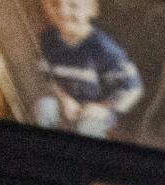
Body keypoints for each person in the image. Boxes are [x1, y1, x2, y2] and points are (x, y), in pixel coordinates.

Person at [30, 0, 142, 138]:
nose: (63, 12)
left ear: (92, 10)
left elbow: (133, 88)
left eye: (73, 5)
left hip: (97, 111)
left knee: (88, 126)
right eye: (55, 4)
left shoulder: (104, 49)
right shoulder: (48, 40)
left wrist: (102, 107)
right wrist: (64, 98)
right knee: (46, 106)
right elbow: (48, 76)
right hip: (68, 105)